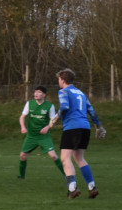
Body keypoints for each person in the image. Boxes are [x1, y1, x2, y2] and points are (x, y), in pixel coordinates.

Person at [56, 69, 105, 199]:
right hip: (85, 128)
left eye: (59, 80)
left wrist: (55, 118)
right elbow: (91, 110)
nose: (58, 82)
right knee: (79, 158)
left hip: (72, 128)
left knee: (65, 158)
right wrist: (98, 126)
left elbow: (64, 106)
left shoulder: (63, 91)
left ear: (62, 80)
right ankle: (92, 187)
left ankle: (73, 189)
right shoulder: (81, 93)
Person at [18, 85, 64, 180]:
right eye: (35, 92)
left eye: (39, 92)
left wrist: (47, 127)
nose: (36, 94)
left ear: (44, 95)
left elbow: (53, 120)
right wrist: (23, 127)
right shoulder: (29, 103)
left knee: (53, 156)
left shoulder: (49, 106)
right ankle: (21, 177)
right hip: (31, 136)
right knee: (22, 156)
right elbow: (22, 117)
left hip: (43, 137)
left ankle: (67, 176)